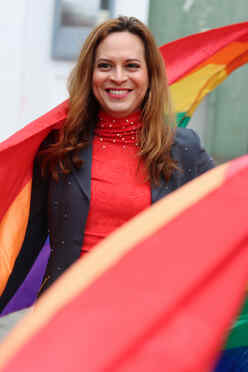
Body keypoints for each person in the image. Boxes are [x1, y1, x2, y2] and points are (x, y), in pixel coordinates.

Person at [0, 16, 214, 309]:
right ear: (90, 74)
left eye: (131, 66)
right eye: (105, 66)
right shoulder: (57, 147)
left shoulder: (184, 149)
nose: (117, 77)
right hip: (65, 316)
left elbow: (218, 231)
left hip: (146, 323)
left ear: (150, 75)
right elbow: (23, 243)